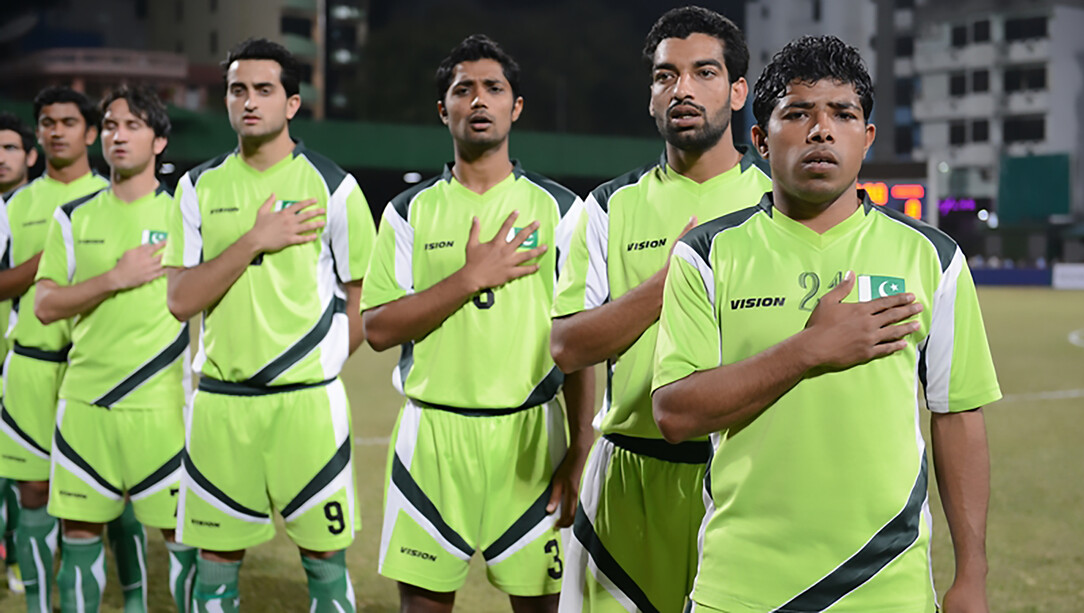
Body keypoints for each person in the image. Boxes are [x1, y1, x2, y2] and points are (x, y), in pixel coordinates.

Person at [651, 35, 999, 612]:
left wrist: (972, 576)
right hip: (741, 585)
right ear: (759, 140)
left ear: (867, 139)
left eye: (843, 114)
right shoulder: (707, 254)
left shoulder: (932, 258)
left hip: (886, 582)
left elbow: (957, 414)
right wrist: (812, 348)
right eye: (798, 113)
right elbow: (674, 413)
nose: (821, 130)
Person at [361, 34, 595, 613]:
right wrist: (469, 278)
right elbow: (378, 329)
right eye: (463, 90)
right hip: (432, 441)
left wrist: (581, 445)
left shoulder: (564, 211)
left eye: (494, 88)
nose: (479, 100)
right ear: (444, 110)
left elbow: (581, 340)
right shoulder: (408, 212)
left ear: (516, 107)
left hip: (531, 441)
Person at [550, 7, 770, 612]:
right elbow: (568, 347)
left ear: (738, 91)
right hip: (628, 475)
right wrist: (670, 279)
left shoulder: (775, 205)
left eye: (703, 73)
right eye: (664, 76)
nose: (682, 89)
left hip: (741, 480)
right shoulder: (607, 207)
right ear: (650, 97)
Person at [163, 37, 374, 612]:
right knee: (214, 573)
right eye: (237, 90)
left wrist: (329, 359)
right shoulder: (196, 187)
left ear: (292, 103)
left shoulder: (335, 187)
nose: (249, 101)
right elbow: (180, 300)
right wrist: (254, 240)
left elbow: (365, 296)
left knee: (326, 568)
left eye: (264, 89)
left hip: (308, 407)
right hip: (221, 405)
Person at [33, 85, 196, 613]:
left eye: (133, 125)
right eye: (109, 126)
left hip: (161, 409)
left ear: (160, 141)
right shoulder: (73, 217)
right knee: (79, 542)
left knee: (184, 546)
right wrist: (115, 277)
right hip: (85, 406)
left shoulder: (184, 217)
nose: (118, 135)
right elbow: (46, 305)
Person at [0, 87, 130, 613]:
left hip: (94, 371)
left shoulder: (115, 196)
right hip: (30, 365)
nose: (57, 131)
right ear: (38, 134)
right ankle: (36, 601)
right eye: (48, 122)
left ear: (90, 133)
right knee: (32, 492)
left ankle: (131, 598)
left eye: (69, 122)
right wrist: (48, 258)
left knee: (106, 498)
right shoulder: (14, 206)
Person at [0, 110, 38, 597]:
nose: (0, 158)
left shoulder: (46, 209)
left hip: (28, 362)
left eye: (10, 148)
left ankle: (18, 554)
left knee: (21, 472)